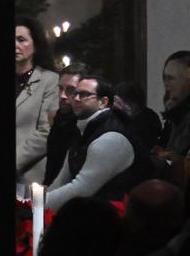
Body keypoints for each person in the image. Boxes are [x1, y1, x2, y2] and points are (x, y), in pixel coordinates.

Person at [0, 18, 61, 192]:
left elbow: (46, 130)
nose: (14, 45)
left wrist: (11, 162)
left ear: (35, 45)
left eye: (21, 40)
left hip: (29, 173)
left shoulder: (49, 80)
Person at [47, 72, 150, 210]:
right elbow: (61, 181)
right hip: (93, 212)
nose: (76, 99)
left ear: (103, 102)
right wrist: (35, 200)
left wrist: (36, 203)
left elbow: (81, 189)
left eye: (84, 94)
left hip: (114, 219)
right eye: (75, 93)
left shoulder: (112, 138)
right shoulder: (81, 130)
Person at [41, 67, 84, 186]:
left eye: (70, 90)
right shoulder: (60, 119)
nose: (62, 95)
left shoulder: (82, 125)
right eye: (60, 88)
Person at [157, 50, 190, 156]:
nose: (166, 84)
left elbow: (177, 153)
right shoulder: (174, 113)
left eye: (171, 78)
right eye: (165, 78)